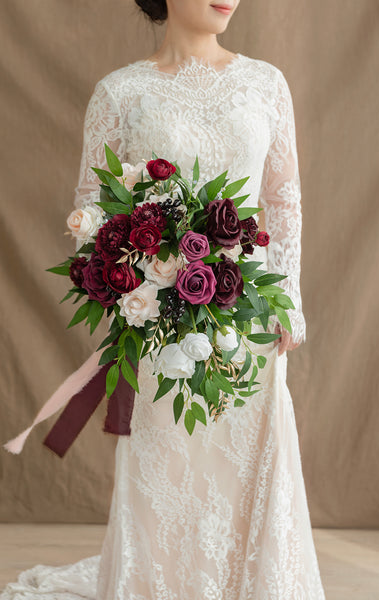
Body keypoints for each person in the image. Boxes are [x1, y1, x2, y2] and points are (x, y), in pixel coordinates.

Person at [1, 0, 326, 598]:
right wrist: (143, 274)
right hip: (159, 324)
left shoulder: (265, 83)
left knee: (249, 467)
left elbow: (283, 199)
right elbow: (91, 214)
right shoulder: (120, 93)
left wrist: (289, 300)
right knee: (168, 468)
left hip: (246, 315)